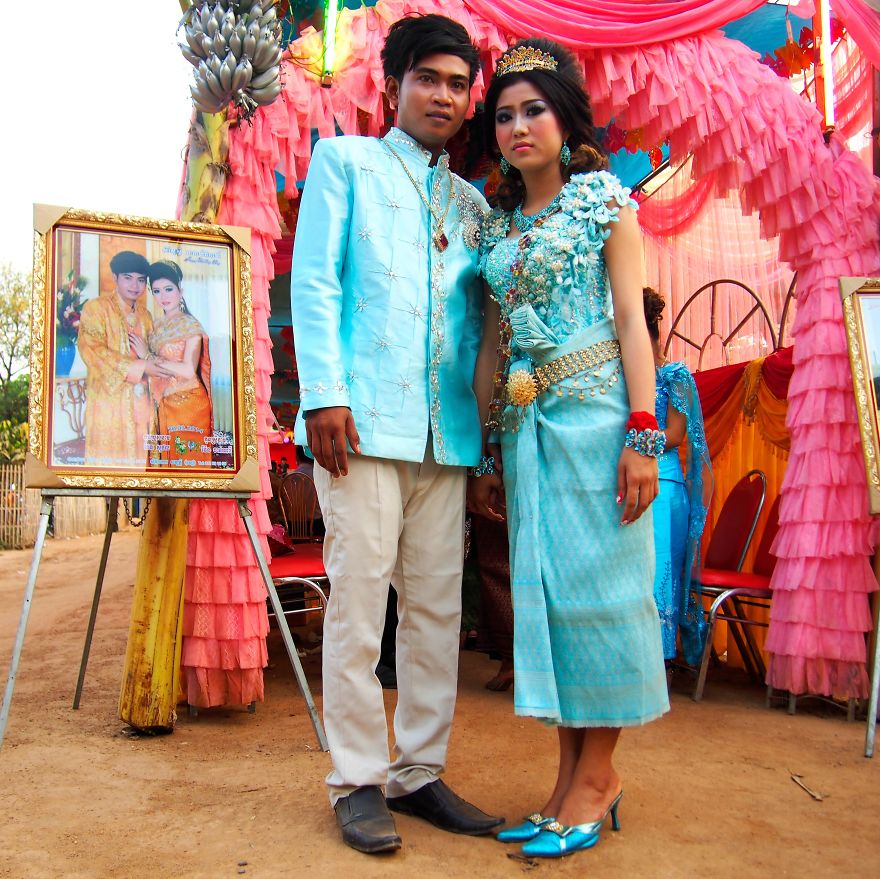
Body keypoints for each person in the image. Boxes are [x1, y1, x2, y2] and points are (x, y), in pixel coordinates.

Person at [290, 13, 503, 855]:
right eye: (430, 79)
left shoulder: (472, 203)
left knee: (435, 609)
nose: (445, 96)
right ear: (392, 85)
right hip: (362, 423)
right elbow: (316, 283)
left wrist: (482, 438)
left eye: (459, 84)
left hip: (444, 436)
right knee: (358, 602)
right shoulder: (346, 162)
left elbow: (482, 326)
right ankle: (355, 778)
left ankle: (418, 770)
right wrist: (324, 394)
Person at [470, 39, 669, 859]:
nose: (519, 126)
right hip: (526, 438)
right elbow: (492, 346)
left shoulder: (604, 205)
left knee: (604, 599)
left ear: (564, 118)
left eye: (534, 110)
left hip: (597, 428)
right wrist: (486, 455)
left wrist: (643, 436)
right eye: (506, 114)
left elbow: (632, 322)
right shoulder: (500, 228)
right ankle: (564, 782)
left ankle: (601, 778)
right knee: (548, 606)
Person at [643, 287, 711, 668]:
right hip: (630, 480)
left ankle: (663, 659)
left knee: (661, 574)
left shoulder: (674, 376)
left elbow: (675, 435)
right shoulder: (621, 375)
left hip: (666, 485)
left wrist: (636, 440)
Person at [77, 250, 168, 467]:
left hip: (142, 405)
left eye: (140, 280)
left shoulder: (146, 316)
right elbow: (91, 350)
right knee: (110, 472)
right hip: (110, 404)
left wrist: (149, 359)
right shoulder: (96, 308)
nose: (135, 285)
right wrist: (140, 366)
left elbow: (156, 356)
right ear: (115, 277)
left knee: (141, 469)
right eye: (128, 278)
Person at [130, 260, 213, 467]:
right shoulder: (155, 325)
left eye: (168, 289)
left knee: (186, 472)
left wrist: (147, 357)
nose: (163, 297)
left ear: (180, 290)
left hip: (189, 405)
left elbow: (187, 370)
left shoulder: (190, 325)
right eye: (157, 291)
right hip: (161, 405)